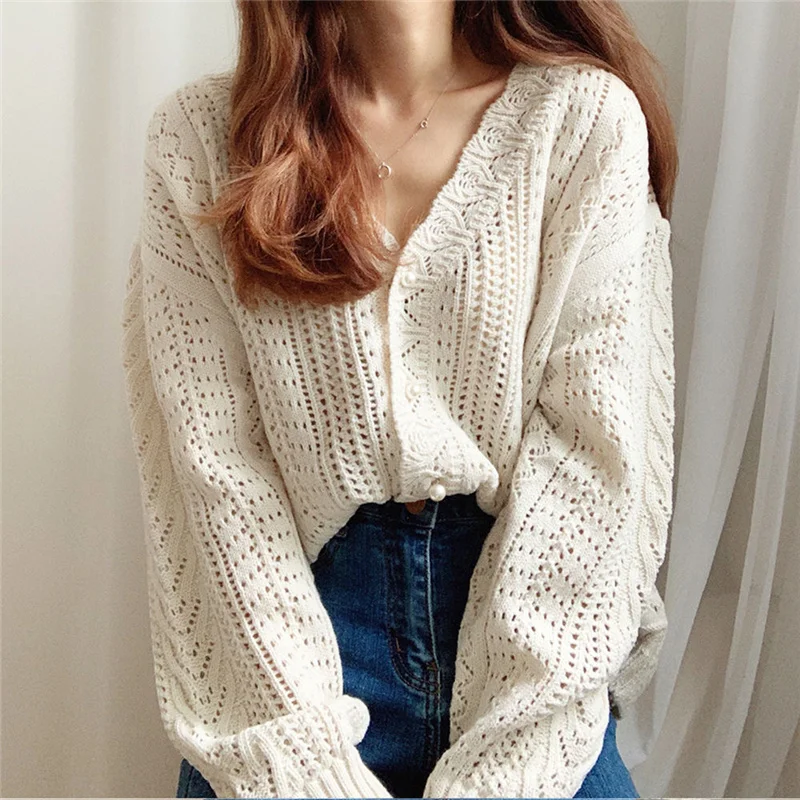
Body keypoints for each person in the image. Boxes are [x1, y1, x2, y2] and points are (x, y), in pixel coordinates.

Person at [121, 0, 678, 797]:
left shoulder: (583, 122)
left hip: (534, 673)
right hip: (283, 678)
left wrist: (503, 770)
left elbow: (594, 469)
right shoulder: (201, 140)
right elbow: (213, 478)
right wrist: (307, 769)